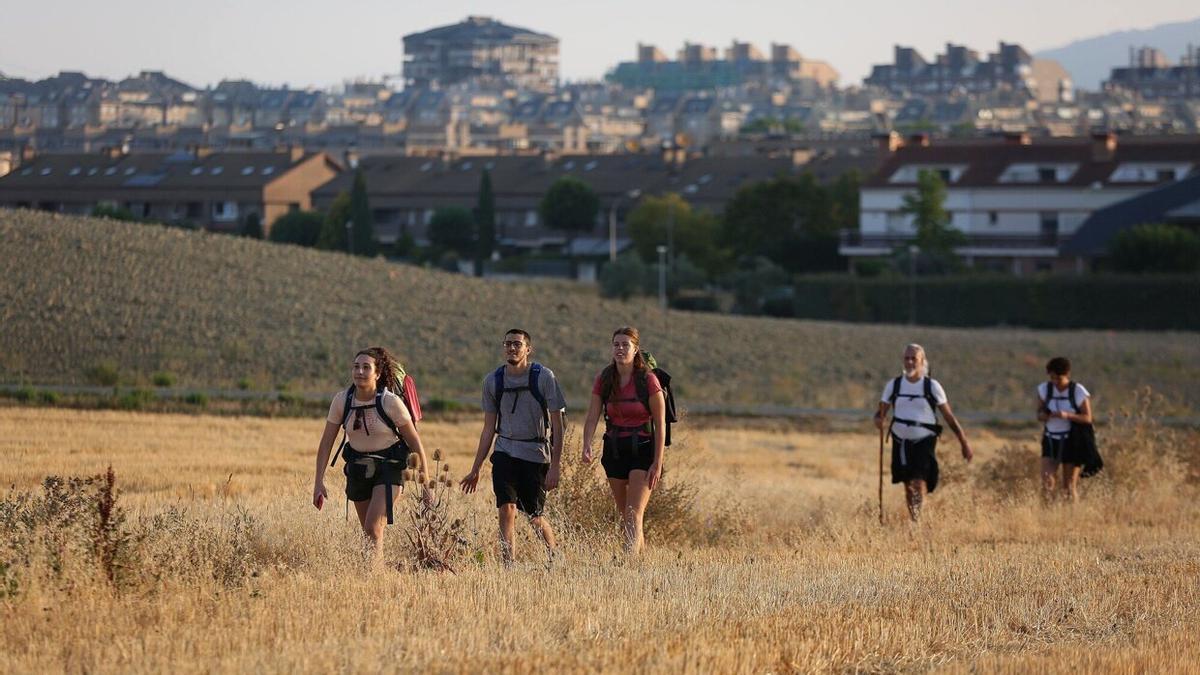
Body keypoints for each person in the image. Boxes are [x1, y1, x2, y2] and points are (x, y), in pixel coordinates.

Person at [460, 329, 566, 565]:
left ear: (528, 349)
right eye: (508, 343)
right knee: (506, 508)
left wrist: (555, 465)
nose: (512, 348)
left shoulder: (543, 377)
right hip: (504, 452)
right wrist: (475, 468)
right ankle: (509, 565)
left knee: (534, 516)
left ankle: (554, 557)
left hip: (536, 455)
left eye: (517, 344)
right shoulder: (493, 381)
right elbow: (488, 428)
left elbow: (558, 425)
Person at [312, 347, 430, 558]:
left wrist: (426, 484)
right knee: (368, 534)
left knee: (373, 528)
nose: (359, 372)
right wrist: (318, 482)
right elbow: (326, 443)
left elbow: (415, 443)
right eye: (356, 367)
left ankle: (373, 577)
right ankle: (376, 579)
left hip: (390, 467)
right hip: (358, 467)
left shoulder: (390, 402)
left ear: (377, 373)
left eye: (366, 367)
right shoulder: (342, 401)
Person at [580, 326, 667, 554]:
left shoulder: (647, 380)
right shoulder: (605, 379)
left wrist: (658, 462)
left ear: (635, 349)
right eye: (616, 344)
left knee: (633, 513)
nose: (620, 349)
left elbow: (660, 424)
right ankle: (641, 563)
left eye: (625, 345)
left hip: (643, 449)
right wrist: (586, 444)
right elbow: (592, 416)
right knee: (626, 515)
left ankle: (627, 563)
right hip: (615, 449)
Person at [873, 343, 973, 521]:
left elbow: (949, 417)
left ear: (922, 361)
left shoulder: (932, 386)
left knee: (919, 482)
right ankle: (915, 520)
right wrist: (879, 420)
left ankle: (917, 521)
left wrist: (964, 443)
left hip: (924, 440)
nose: (910, 362)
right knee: (908, 484)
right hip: (900, 441)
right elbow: (880, 412)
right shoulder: (894, 385)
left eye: (914, 359)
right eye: (907, 358)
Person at [1036, 356, 1093, 502]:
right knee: (1047, 481)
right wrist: (1045, 415)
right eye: (1052, 378)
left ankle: (1071, 518)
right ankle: (1046, 517)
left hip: (1072, 440)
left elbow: (1087, 418)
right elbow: (1039, 414)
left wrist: (1066, 415)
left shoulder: (1078, 391)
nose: (1055, 382)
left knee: (1068, 486)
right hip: (1050, 438)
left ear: (1067, 374)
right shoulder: (1044, 389)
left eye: (1058, 379)